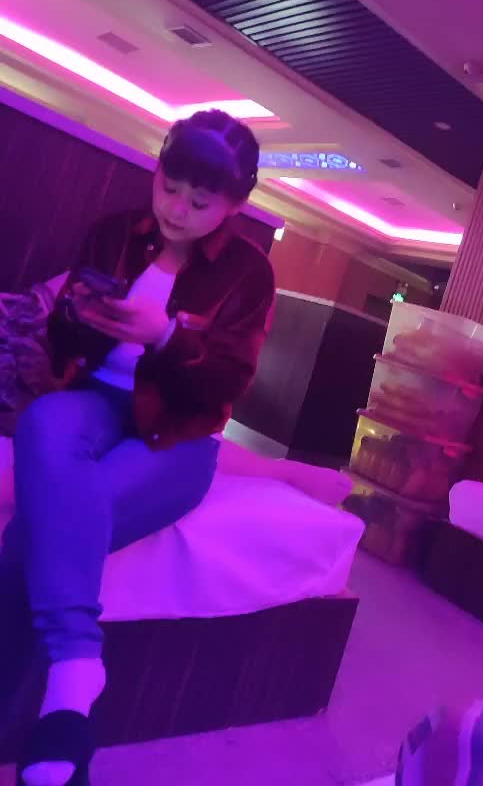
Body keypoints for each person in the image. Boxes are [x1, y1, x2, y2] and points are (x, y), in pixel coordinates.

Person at [0, 109, 351, 786]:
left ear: (234, 205)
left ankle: (64, 698)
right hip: (95, 401)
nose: (177, 210)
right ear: (157, 171)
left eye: (200, 201)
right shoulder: (113, 233)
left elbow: (226, 383)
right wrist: (79, 318)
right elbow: (64, 348)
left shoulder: (249, 274)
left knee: (41, 526)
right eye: (169, 187)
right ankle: (77, 676)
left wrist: (162, 337)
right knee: (44, 422)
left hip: (180, 433)